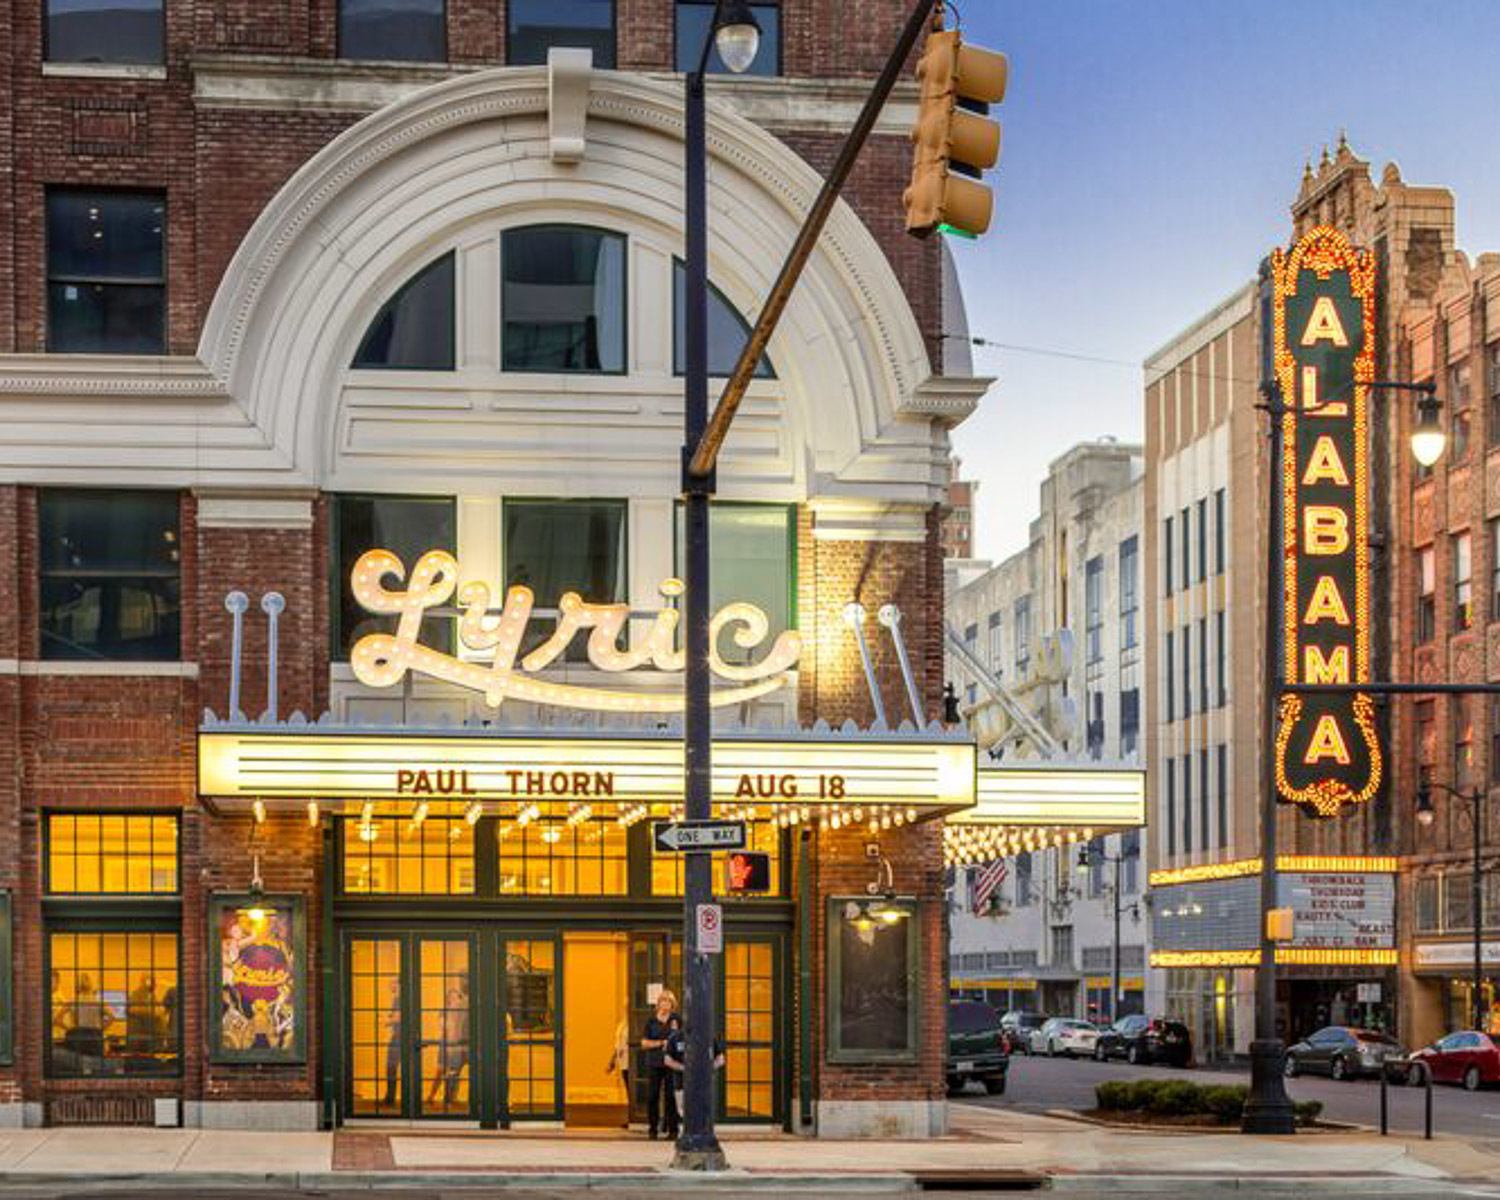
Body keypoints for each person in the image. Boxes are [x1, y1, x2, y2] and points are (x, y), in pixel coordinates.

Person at [663, 1022, 725, 1130]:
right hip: (681, 1082)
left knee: (702, 1108)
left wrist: (707, 1069)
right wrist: (684, 1068)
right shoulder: (675, 1038)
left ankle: (702, 1130)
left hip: (703, 1082)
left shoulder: (708, 1037)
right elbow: (667, 1060)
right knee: (682, 1110)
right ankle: (687, 1132)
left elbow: (720, 1059)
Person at [640, 989, 679, 1139]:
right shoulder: (651, 1021)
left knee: (671, 1097)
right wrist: (661, 1043)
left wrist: (672, 1045)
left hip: (671, 1063)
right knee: (652, 1096)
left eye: (668, 1001)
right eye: (663, 1001)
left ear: (672, 1004)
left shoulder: (676, 1020)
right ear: (658, 1004)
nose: (665, 1004)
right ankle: (653, 1129)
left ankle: (673, 1129)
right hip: (654, 1062)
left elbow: (681, 1039)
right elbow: (644, 1043)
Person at [605, 1016, 631, 1128]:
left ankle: (633, 1118)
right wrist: (612, 1061)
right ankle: (630, 1117)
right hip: (624, 1061)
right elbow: (618, 1044)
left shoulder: (635, 1021)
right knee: (629, 1091)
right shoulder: (623, 1022)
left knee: (633, 1091)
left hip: (633, 1061)